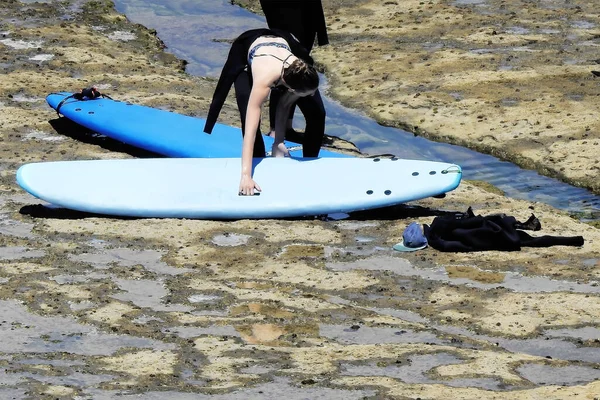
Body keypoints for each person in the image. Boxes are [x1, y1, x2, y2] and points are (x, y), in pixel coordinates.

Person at [203, 28, 326, 196]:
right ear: (289, 87)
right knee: (250, 118)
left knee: (317, 112)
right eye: (307, 92)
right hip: (248, 56)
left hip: (282, 43)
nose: (312, 94)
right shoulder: (264, 78)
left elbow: (284, 104)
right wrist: (245, 175)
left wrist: (279, 142)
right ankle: (256, 164)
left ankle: (310, 161)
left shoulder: (299, 69)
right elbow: (250, 131)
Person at [259, 0, 329, 137]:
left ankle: (287, 127)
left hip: (305, 12)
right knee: (288, 66)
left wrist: (321, 35)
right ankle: (276, 129)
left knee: (300, 53)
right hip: (284, 13)